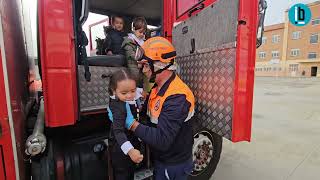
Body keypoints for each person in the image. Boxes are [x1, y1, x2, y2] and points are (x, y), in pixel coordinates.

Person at [124, 37, 195, 180]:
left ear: (159, 65)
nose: (142, 70)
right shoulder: (157, 89)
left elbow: (162, 140)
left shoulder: (177, 97)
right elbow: (149, 120)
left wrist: (132, 124)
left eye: (145, 65)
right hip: (162, 160)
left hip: (173, 166)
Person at [107, 69, 144, 180]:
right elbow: (118, 131)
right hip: (122, 148)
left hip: (131, 140)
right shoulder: (119, 107)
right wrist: (130, 151)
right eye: (124, 93)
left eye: (132, 91)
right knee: (124, 175)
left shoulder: (126, 94)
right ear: (114, 91)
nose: (129, 96)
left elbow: (135, 92)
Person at [121, 17, 147, 88]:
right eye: (140, 32)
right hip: (133, 68)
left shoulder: (143, 42)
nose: (142, 34)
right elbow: (130, 54)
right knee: (135, 86)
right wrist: (139, 60)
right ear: (134, 29)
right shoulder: (129, 41)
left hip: (141, 69)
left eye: (144, 32)